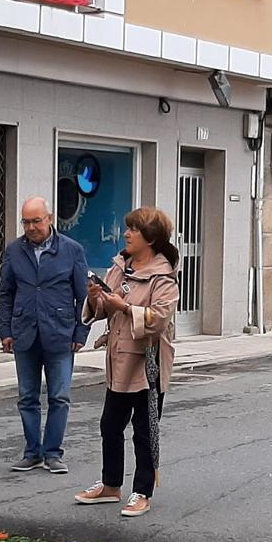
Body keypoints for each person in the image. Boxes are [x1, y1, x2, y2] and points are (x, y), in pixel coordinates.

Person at [74, 207, 181, 518]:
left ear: (150, 238)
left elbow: (159, 318)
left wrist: (123, 305)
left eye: (133, 229)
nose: (126, 234)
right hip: (119, 359)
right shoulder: (121, 266)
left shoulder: (164, 277)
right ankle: (110, 485)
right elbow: (102, 309)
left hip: (148, 363)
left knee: (145, 430)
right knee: (109, 424)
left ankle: (142, 492)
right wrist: (96, 297)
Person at [0, 195, 89, 473]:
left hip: (60, 332)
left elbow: (83, 296)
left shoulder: (71, 250)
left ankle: (53, 453)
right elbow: (6, 293)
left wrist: (80, 332)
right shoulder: (14, 251)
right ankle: (32, 451)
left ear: (49, 219)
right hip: (24, 332)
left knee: (59, 396)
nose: (32, 227)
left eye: (37, 221)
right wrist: (5, 330)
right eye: (26, 222)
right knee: (27, 396)